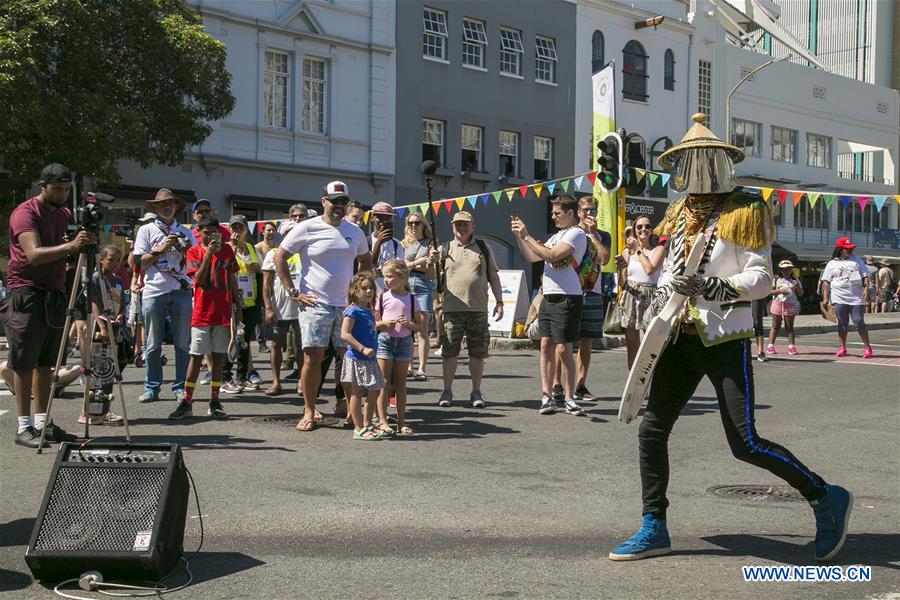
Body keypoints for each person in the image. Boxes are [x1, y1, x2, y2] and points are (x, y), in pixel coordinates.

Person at [609, 114, 851, 563]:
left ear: (717, 161)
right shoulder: (678, 212)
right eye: (685, 160)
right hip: (677, 338)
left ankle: (825, 496)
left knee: (746, 443)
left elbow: (761, 279)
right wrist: (660, 296)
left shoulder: (747, 208)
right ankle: (653, 525)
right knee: (651, 431)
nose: (692, 169)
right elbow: (669, 272)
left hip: (723, 336)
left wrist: (714, 288)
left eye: (699, 159)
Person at [1, 163, 93, 447]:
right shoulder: (25, 213)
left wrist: (77, 247)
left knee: (46, 363)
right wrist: (71, 247)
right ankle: (23, 426)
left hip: (54, 292)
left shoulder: (64, 213)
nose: (63, 194)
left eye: (67, 189)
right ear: (43, 186)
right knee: (24, 362)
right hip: (26, 292)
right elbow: (34, 255)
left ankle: (42, 423)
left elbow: (64, 252)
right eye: (58, 189)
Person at [273, 181, 372, 432]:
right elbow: (279, 257)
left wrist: (358, 294)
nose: (338, 206)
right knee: (312, 358)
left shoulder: (355, 231)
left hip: (346, 306)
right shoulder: (307, 227)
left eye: (343, 202)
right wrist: (293, 291)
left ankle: (352, 411)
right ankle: (309, 409)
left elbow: (365, 260)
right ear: (323, 201)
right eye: (334, 201)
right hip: (315, 303)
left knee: (349, 358)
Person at [511, 195, 587, 416]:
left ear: (570, 213)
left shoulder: (576, 233)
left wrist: (527, 235)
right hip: (549, 296)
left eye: (557, 213)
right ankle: (547, 396)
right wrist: (519, 237)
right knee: (545, 345)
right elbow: (531, 257)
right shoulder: (556, 235)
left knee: (564, 348)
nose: (553, 216)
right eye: (552, 213)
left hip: (567, 296)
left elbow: (552, 255)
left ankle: (570, 398)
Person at [169, 216, 240, 420]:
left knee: (219, 356)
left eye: (213, 231)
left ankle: (215, 400)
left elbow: (232, 277)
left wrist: (238, 305)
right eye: (205, 232)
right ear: (199, 232)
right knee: (196, 356)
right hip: (202, 312)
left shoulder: (227, 250)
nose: (209, 236)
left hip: (223, 311)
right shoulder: (194, 251)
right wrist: (209, 253)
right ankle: (187, 401)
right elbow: (198, 279)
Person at [431, 211, 503, 408]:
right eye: (458, 225)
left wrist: (500, 301)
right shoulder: (444, 248)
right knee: (449, 353)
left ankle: (476, 392)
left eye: (466, 224)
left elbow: (494, 277)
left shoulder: (483, 247)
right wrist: (432, 260)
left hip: (478, 309)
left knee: (478, 353)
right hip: (452, 309)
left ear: (473, 226)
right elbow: (431, 275)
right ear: (452, 227)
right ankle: (446, 391)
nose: (462, 228)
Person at [133, 188, 195, 404]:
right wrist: (161, 249)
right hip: (153, 291)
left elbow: (194, 264)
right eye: (162, 204)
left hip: (181, 290)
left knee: (182, 343)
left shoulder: (186, 232)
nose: (167, 207)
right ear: (156, 208)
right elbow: (139, 262)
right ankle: (151, 387)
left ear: (176, 206)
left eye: (170, 203)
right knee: (152, 344)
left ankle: (180, 387)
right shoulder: (146, 230)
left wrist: (186, 250)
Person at [79, 244, 128, 425]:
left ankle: (101, 408)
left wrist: (122, 313)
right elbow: (93, 303)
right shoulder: (95, 279)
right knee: (100, 371)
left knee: (112, 369)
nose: (115, 264)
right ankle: (91, 410)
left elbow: (122, 301)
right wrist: (102, 326)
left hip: (115, 327)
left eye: (118, 261)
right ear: (101, 260)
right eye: (110, 260)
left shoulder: (118, 280)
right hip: (100, 329)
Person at [374, 259, 424, 436]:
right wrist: (384, 323)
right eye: (384, 277)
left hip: (404, 342)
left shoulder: (411, 299)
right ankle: (382, 420)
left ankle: (401, 422)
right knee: (384, 383)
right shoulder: (382, 298)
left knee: (401, 384)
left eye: (389, 276)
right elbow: (374, 323)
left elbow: (420, 326)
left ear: (402, 277)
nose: (386, 280)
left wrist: (409, 324)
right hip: (385, 340)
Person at [340, 271, 388, 440]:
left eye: (371, 289)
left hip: (370, 358)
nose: (369, 292)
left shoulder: (367, 310)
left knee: (375, 389)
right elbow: (345, 334)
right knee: (357, 392)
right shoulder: (353, 311)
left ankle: (367, 423)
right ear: (354, 291)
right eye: (364, 289)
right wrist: (362, 348)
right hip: (358, 358)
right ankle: (358, 427)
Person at [572, 196, 611, 401]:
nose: (590, 214)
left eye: (593, 210)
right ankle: (560, 386)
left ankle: (580, 385)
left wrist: (593, 233)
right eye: (586, 210)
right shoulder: (571, 233)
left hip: (593, 291)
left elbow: (604, 259)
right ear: (578, 212)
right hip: (571, 291)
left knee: (587, 341)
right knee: (565, 340)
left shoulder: (602, 235)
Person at [616, 215, 665, 369]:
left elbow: (649, 269)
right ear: (635, 231)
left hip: (650, 296)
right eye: (639, 227)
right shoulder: (627, 252)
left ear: (651, 230)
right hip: (631, 295)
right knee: (632, 345)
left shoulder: (659, 249)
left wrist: (638, 250)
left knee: (650, 344)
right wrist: (621, 267)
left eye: (647, 226)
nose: (643, 229)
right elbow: (621, 283)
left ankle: (651, 382)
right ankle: (634, 384)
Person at [261, 220, 302, 396]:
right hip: (280, 306)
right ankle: (276, 382)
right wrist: (268, 308)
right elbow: (266, 284)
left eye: (294, 231)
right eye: (288, 232)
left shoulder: (304, 252)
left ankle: (302, 381)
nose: (291, 235)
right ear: (283, 235)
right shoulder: (273, 253)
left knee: (302, 345)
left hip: (302, 306)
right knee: (276, 343)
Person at [222, 215, 262, 392]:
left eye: (240, 227)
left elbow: (262, 269)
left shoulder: (251, 249)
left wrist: (257, 268)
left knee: (245, 341)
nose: (237, 231)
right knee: (231, 340)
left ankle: (242, 376)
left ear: (246, 230)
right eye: (234, 227)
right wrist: (233, 246)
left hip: (250, 300)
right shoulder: (225, 248)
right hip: (232, 301)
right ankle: (225, 377)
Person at [820, 238, 873, 358]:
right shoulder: (832, 263)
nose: (850, 250)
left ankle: (867, 347)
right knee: (842, 324)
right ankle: (842, 347)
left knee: (858, 321)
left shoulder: (857, 260)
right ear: (840, 250)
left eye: (851, 248)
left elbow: (865, 276)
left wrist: (865, 289)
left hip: (856, 297)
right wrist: (825, 298)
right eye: (847, 249)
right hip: (839, 297)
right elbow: (826, 281)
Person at [401, 212, 436, 381]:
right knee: (407, 328)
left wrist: (428, 263)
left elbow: (431, 273)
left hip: (423, 286)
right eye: (410, 223)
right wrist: (416, 263)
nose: (413, 226)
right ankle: (408, 366)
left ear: (423, 225)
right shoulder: (403, 244)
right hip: (406, 286)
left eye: (417, 223)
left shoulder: (430, 244)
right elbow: (400, 267)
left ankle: (421, 368)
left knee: (422, 329)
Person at [128, 212, 156, 368]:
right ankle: (136, 350)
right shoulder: (140, 239)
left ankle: (147, 350)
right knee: (135, 320)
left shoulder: (157, 240)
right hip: (138, 284)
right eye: (144, 222)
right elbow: (133, 265)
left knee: (147, 322)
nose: (146, 224)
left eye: (149, 221)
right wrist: (133, 285)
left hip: (151, 287)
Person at [767, 259, 803, 355]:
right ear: (780, 270)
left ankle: (792, 347)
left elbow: (801, 293)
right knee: (775, 325)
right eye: (784, 269)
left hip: (790, 304)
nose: (787, 271)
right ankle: (770, 346)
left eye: (789, 269)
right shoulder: (775, 279)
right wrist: (780, 291)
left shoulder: (795, 280)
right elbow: (769, 292)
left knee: (789, 327)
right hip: (778, 303)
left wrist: (797, 286)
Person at [370, 202, 405, 291]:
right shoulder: (366, 241)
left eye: (387, 218)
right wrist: (379, 243)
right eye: (380, 217)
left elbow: (400, 268)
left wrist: (382, 271)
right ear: (372, 218)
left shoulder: (396, 244)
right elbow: (368, 267)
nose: (383, 221)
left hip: (390, 290)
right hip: (371, 289)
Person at [255, 221, 278, 352]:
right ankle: (261, 342)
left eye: (272, 230)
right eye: (268, 230)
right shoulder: (258, 247)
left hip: (275, 281)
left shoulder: (278, 247)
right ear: (262, 232)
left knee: (275, 309)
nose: (270, 232)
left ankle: (276, 337)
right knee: (261, 313)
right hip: (260, 281)